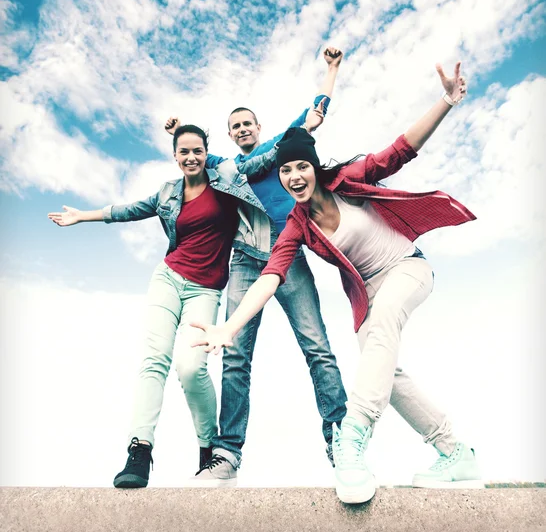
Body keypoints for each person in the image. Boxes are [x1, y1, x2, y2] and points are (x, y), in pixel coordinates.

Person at [192, 62, 484, 502]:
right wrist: (229, 328)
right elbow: (271, 276)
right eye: (285, 171)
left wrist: (446, 100)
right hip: (369, 293)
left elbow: (398, 151)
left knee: (379, 329)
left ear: (313, 167)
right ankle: (454, 453)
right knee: (382, 367)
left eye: (300, 168)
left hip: (407, 267)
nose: (293, 177)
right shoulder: (295, 223)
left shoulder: (348, 179)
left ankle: (350, 439)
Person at [47, 124, 280, 489]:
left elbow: (265, 159)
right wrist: (83, 215)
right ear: (175, 156)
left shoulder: (228, 178)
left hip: (205, 290)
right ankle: (139, 450)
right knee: (154, 360)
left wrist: (307, 125)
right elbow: (128, 210)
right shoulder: (168, 192)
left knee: (190, 368)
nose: (190, 157)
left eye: (197, 151)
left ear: (207, 153)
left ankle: (209, 449)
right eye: (183, 152)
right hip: (168, 279)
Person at [165, 47, 348, 486]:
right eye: (235, 126)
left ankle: (341, 439)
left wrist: (331, 70)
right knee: (234, 356)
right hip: (245, 261)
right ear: (230, 134)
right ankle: (226, 454)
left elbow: (316, 113)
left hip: (289, 255)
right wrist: (174, 131)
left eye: (247, 123)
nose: (243, 129)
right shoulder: (224, 166)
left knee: (316, 346)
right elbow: (190, 155)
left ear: (258, 127)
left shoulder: (278, 146)